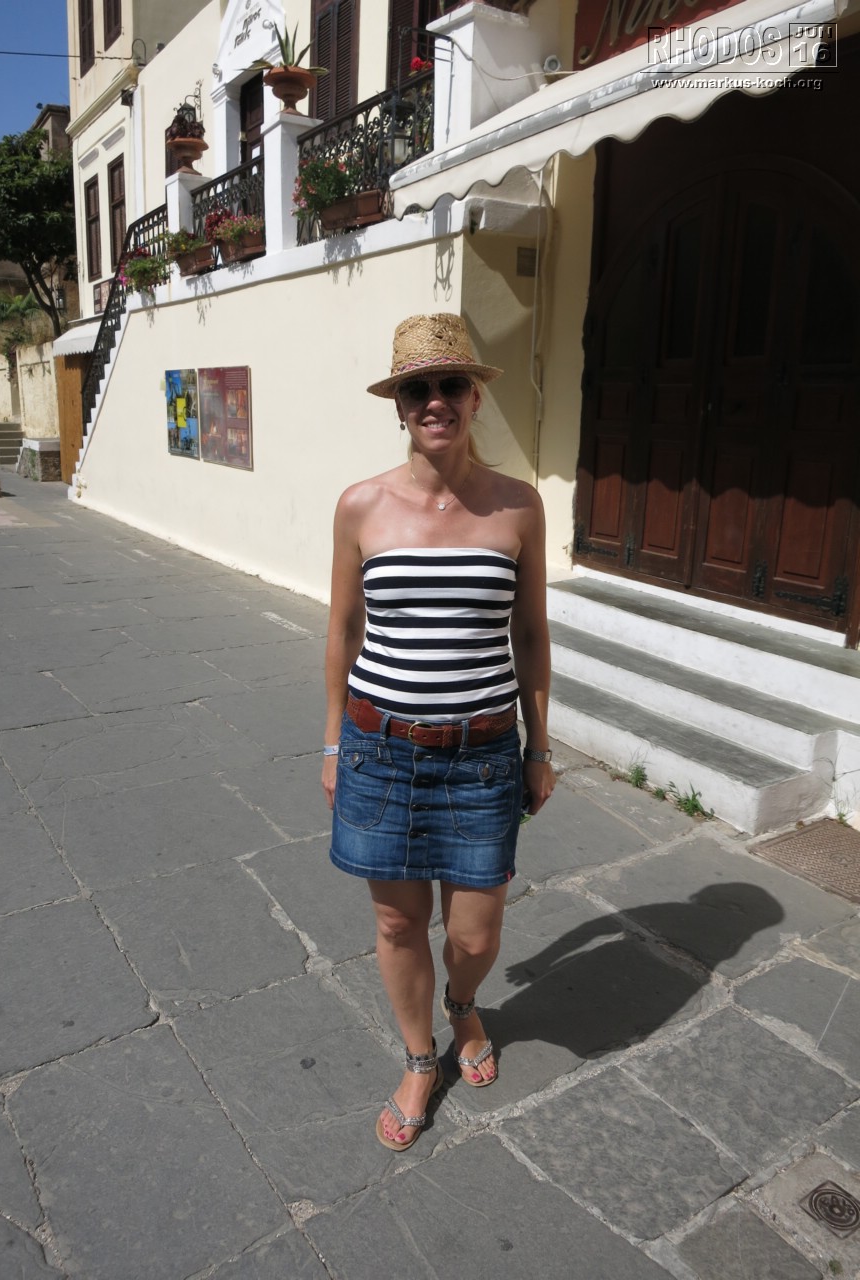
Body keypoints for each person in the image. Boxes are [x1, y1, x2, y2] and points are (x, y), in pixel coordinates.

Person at [321, 313, 556, 1151]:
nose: (435, 401)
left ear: (474, 397)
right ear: (398, 405)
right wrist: (331, 744)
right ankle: (420, 1056)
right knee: (396, 924)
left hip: (483, 757)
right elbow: (343, 631)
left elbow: (530, 635)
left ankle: (462, 1004)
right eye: (417, 388)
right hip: (380, 749)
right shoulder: (360, 505)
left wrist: (539, 745)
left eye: (451, 384)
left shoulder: (518, 505)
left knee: (474, 933)